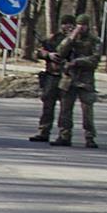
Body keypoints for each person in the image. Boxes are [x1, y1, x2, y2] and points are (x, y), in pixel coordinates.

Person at [51, 14, 99, 148]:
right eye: (79, 25)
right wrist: (71, 37)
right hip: (68, 80)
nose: (81, 27)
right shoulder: (70, 39)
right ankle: (64, 136)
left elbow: (94, 59)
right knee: (65, 110)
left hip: (85, 81)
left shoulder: (93, 41)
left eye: (83, 25)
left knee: (87, 112)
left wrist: (76, 62)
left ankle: (90, 137)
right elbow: (60, 52)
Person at [30, 13, 78, 141]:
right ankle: (43, 131)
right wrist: (49, 55)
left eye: (69, 24)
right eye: (64, 24)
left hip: (67, 77)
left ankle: (64, 135)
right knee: (47, 106)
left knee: (65, 109)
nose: (66, 26)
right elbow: (38, 52)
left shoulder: (78, 40)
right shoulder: (54, 38)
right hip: (52, 75)